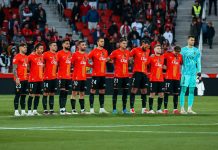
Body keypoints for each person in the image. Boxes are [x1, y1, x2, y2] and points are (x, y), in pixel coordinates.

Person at [180, 35, 201, 114]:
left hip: (193, 74)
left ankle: (189, 108)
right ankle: (182, 108)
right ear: (188, 40)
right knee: (183, 90)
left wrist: (199, 72)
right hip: (185, 74)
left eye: (194, 40)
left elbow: (198, 62)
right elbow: (180, 61)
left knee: (192, 91)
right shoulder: (183, 50)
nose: (193, 41)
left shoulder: (197, 50)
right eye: (191, 40)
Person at [109, 38, 130, 114]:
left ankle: (124, 109)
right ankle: (114, 109)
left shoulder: (128, 52)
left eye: (126, 43)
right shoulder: (115, 52)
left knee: (125, 92)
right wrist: (112, 61)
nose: (125, 45)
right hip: (118, 76)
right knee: (115, 92)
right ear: (120, 44)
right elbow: (108, 59)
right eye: (124, 43)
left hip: (126, 76)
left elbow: (130, 61)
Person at [88, 37, 109, 114]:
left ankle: (101, 108)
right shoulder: (93, 51)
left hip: (103, 75)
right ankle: (91, 109)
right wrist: (91, 66)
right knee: (93, 90)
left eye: (103, 41)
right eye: (101, 41)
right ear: (97, 42)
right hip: (96, 75)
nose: (102, 43)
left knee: (102, 91)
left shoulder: (105, 51)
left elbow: (106, 60)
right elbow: (86, 58)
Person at [129, 40, 150, 114]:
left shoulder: (148, 51)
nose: (147, 48)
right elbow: (129, 56)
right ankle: (132, 108)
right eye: (146, 46)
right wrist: (131, 60)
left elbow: (147, 61)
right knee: (134, 89)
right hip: (137, 72)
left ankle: (144, 109)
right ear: (143, 44)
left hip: (144, 73)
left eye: (148, 47)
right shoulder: (135, 49)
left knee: (144, 91)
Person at [71, 40, 90, 114]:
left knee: (82, 94)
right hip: (76, 77)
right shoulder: (75, 54)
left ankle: (82, 110)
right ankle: (73, 110)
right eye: (83, 45)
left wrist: (87, 68)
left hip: (84, 77)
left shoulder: (86, 55)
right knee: (74, 93)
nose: (84, 46)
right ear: (78, 46)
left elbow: (87, 65)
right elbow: (71, 64)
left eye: (85, 45)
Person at [163, 46, 182, 114]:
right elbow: (159, 58)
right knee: (167, 93)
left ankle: (175, 109)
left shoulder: (180, 56)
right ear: (173, 50)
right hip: (169, 77)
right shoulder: (167, 54)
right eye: (176, 52)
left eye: (178, 52)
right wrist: (163, 65)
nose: (177, 54)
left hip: (176, 78)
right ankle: (165, 109)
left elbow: (182, 63)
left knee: (176, 93)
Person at [147, 44, 165, 114]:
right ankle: (151, 109)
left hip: (160, 79)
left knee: (161, 94)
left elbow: (163, 66)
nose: (159, 49)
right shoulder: (152, 57)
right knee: (152, 94)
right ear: (154, 50)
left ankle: (159, 109)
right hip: (153, 79)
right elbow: (146, 64)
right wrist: (149, 57)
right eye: (157, 48)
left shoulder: (162, 57)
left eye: (160, 48)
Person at [27, 43, 44, 116]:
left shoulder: (42, 56)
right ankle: (29, 111)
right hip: (33, 79)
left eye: (42, 49)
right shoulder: (31, 56)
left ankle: (34, 110)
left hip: (40, 79)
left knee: (37, 95)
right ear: (36, 48)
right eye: (40, 48)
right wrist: (29, 70)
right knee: (31, 95)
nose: (41, 50)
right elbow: (26, 64)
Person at [56, 39, 72, 115]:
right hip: (61, 76)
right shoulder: (59, 53)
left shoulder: (70, 53)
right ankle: (61, 109)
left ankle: (64, 108)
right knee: (62, 92)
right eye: (66, 43)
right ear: (63, 45)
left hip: (68, 76)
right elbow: (56, 64)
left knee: (66, 93)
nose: (68, 45)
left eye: (69, 44)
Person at [42, 42, 58, 115]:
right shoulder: (45, 54)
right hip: (47, 77)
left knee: (52, 94)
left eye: (56, 45)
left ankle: (51, 110)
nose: (55, 46)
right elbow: (41, 63)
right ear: (50, 46)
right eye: (54, 45)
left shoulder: (57, 55)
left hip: (54, 77)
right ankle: (45, 110)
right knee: (45, 93)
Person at [12, 43, 28, 116]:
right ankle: (16, 111)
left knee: (24, 95)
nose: (25, 48)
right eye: (24, 47)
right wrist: (17, 78)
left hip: (25, 79)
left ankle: (23, 110)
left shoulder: (26, 57)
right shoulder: (17, 57)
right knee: (17, 95)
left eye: (26, 47)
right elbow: (14, 69)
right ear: (20, 48)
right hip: (19, 79)